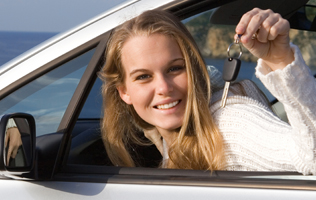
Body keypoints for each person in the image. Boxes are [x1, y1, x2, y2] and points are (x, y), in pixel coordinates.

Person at [99, 8, 316, 175]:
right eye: (144, 77)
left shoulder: (229, 124)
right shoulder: (162, 130)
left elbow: (310, 157)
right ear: (124, 92)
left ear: (194, 70)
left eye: (175, 68)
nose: (164, 88)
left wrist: (280, 61)